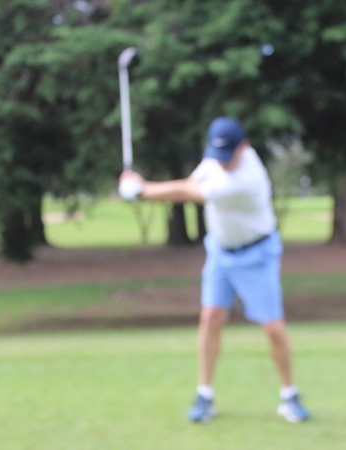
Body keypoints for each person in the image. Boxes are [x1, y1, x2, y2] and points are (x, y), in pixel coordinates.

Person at [119, 116, 311, 424]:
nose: (222, 162)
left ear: (244, 147)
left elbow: (189, 193)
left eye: (228, 156)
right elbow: (192, 182)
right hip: (220, 252)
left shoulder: (247, 179)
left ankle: (290, 395)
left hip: (257, 255)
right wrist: (142, 187)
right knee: (210, 317)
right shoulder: (216, 160)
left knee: (273, 328)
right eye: (217, 155)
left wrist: (142, 190)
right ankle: (204, 395)